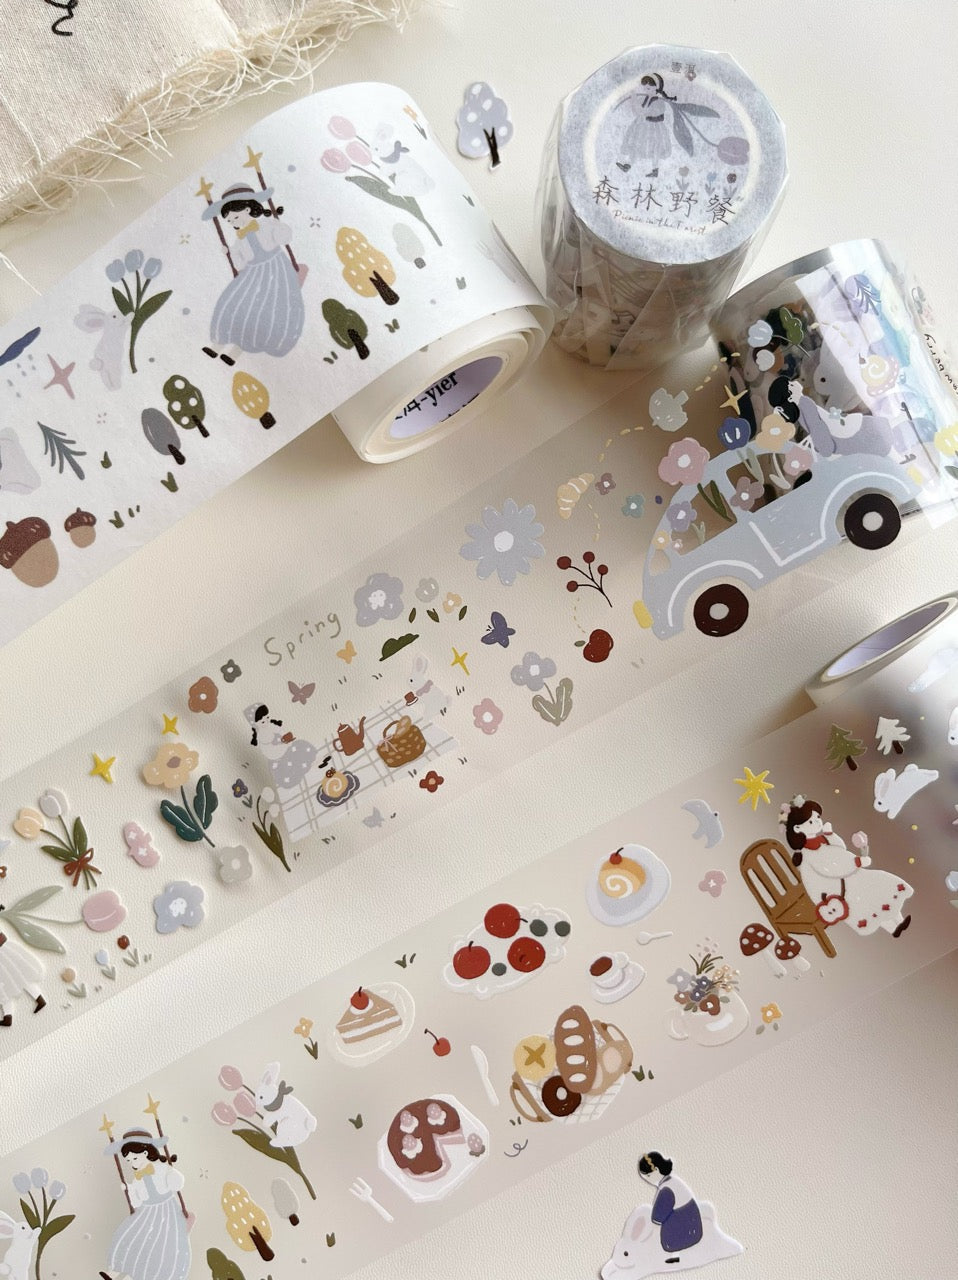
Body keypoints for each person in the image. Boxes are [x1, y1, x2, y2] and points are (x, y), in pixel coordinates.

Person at [201, 183, 304, 364]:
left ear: (248, 209)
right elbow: (240, 264)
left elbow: (284, 238)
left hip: (275, 270)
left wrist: (279, 226)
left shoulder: (267, 225)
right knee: (233, 302)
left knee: (259, 309)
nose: (234, 223)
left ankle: (235, 352)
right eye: (230, 221)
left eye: (235, 217)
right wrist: (230, 252)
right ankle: (218, 344)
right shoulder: (240, 238)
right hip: (252, 273)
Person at [782, 796, 912, 937]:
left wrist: (830, 834)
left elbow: (840, 848)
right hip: (837, 888)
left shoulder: (820, 841)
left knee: (879, 890)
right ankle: (893, 928)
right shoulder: (810, 853)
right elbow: (834, 867)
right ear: (797, 828)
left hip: (845, 879)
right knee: (869, 901)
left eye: (818, 817)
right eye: (812, 821)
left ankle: (899, 921)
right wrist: (857, 862)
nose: (818, 822)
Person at [101, 1130, 190, 1280]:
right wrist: (128, 1189)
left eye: (135, 1158)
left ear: (145, 1152)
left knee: (157, 1243)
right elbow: (137, 1202)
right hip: (146, 1211)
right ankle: (115, 1270)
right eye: (129, 1161)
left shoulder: (162, 1168)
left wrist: (173, 1175)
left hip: (165, 1210)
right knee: (129, 1234)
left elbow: (176, 1184)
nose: (133, 1163)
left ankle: (135, 1276)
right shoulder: (138, 1178)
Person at [637, 1151, 703, 1260]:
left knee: (662, 1230)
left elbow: (658, 1215)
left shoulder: (666, 1188)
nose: (648, 1180)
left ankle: (674, 1254)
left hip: (685, 1229)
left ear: (656, 1170)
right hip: (693, 1227)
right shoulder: (673, 1181)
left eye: (648, 1176)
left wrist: (653, 1222)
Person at [245, 703, 322, 791]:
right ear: (255, 724)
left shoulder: (270, 726)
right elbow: (271, 753)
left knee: (300, 747)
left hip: (287, 748)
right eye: (262, 721)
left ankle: (312, 761)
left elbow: (279, 730)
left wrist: (286, 736)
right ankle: (308, 770)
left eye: (267, 717)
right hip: (279, 758)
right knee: (290, 767)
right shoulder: (263, 736)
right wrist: (284, 746)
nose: (266, 721)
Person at [616, 74, 678, 177]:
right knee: (636, 145)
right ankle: (628, 165)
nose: (646, 91)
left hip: (654, 128)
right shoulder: (646, 99)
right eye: (645, 88)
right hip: (642, 127)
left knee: (655, 148)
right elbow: (640, 111)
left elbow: (658, 115)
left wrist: (647, 116)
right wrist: (634, 101)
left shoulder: (658, 101)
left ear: (655, 87)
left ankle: (655, 170)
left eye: (648, 88)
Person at [0, 927, 45, 1026]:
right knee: (16, 983)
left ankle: (8, 1017)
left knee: (7, 988)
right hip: (5, 953)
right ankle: (8, 1017)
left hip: (3, 956)